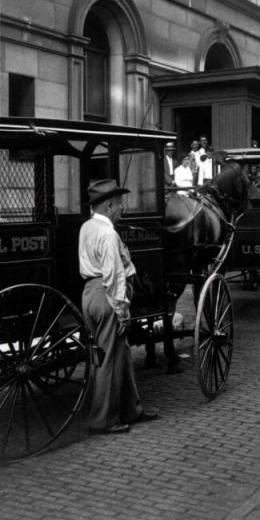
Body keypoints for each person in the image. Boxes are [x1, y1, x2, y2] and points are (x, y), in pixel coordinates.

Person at [79, 178, 159, 435]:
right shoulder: (108, 234)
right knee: (109, 359)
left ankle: (131, 410)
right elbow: (114, 276)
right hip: (106, 296)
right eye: (121, 204)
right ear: (110, 205)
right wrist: (122, 312)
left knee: (120, 354)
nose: (123, 209)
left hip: (90, 294)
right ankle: (102, 421)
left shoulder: (87, 227)